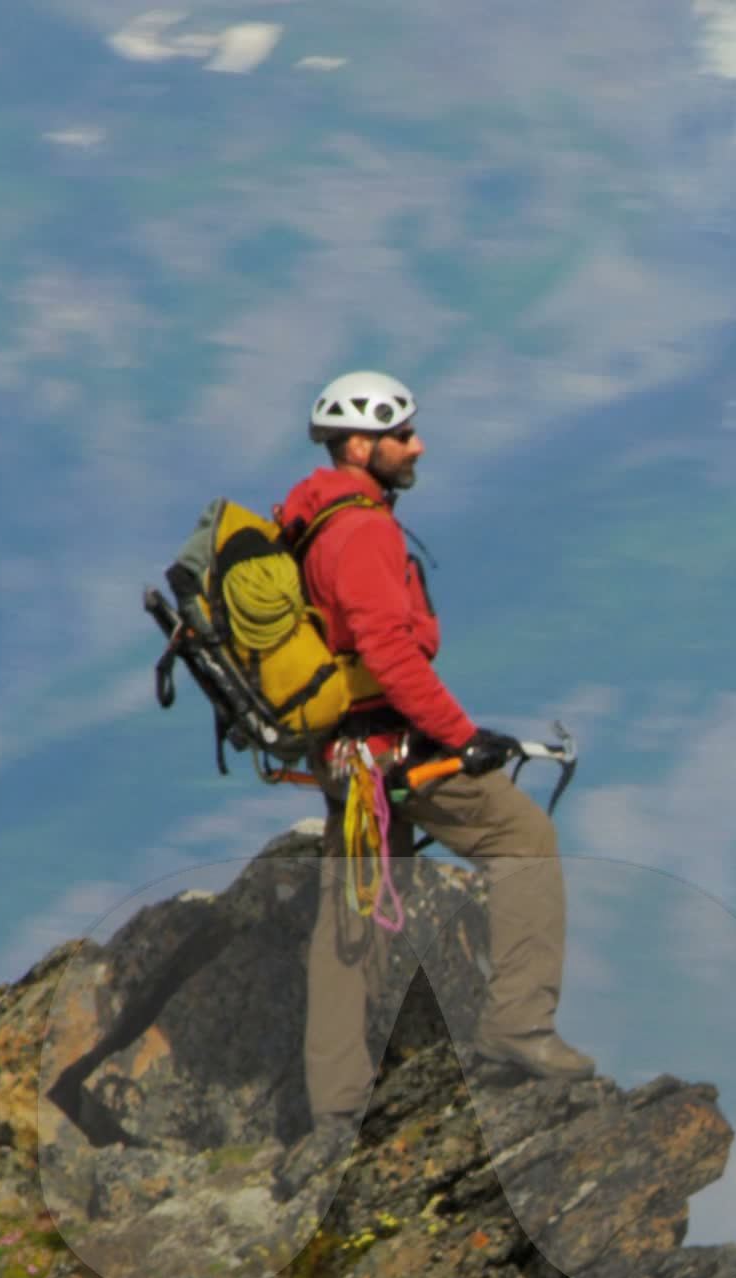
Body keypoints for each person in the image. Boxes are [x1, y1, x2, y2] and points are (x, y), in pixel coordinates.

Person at [278, 369, 593, 1148]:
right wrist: (460, 736)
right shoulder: (364, 531)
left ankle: (334, 1113)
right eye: (401, 435)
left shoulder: (315, 524)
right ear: (359, 444)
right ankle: (519, 1026)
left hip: (345, 753)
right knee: (524, 840)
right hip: (390, 750)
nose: (417, 446)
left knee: (351, 915)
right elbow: (388, 649)